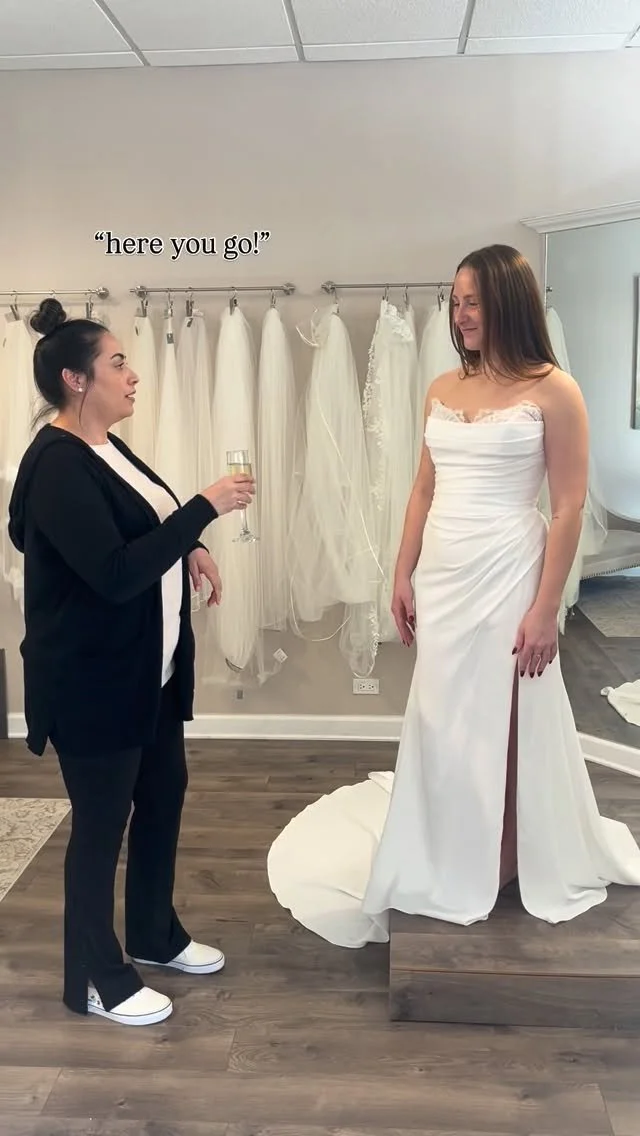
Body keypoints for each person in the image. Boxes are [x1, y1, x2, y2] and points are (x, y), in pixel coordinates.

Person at [267, 244, 640, 948]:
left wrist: (544, 609)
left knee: (504, 714)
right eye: (457, 301)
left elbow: (566, 507)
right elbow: (423, 488)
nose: (462, 315)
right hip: (443, 570)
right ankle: (445, 843)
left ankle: (505, 854)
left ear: (508, 304)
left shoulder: (555, 390)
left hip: (509, 569)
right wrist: (400, 573)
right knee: (444, 718)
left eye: (475, 302)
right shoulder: (443, 386)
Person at [8, 298, 255, 1026]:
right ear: (76, 379)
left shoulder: (106, 448)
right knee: (100, 824)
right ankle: (95, 978)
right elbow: (115, 573)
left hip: (146, 673)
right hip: (92, 682)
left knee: (163, 795)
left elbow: (146, 520)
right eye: (118, 363)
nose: (133, 374)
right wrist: (204, 510)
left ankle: (153, 933)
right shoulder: (57, 465)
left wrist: (193, 545)